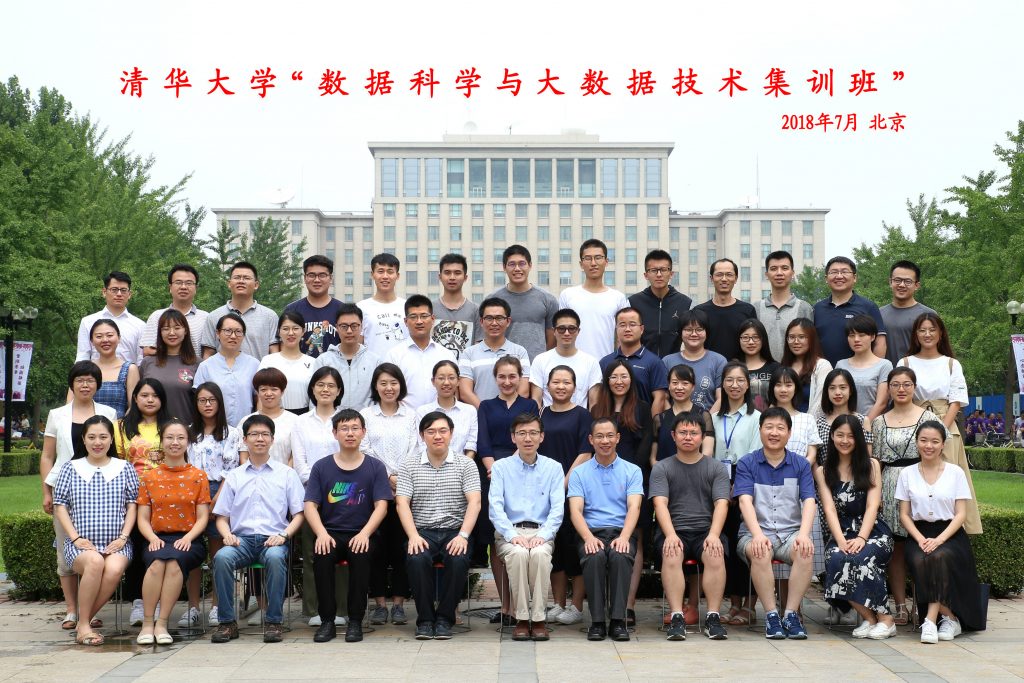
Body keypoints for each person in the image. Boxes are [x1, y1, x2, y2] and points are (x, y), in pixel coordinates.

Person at [210, 414, 305, 644]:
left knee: (275, 558)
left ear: (272, 439)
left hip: (273, 539)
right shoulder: (234, 476)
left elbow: (299, 515)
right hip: (241, 541)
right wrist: (227, 535)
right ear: (245, 440)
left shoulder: (286, 474)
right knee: (222, 558)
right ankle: (227, 623)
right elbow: (221, 517)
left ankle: (273, 622)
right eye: (254, 434)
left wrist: (284, 535)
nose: (259, 439)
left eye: (265, 434)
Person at [41, 362, 118, 631]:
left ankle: (90, 609)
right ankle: (72, 610)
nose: (85, 385)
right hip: (65, 488)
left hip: (100, 489)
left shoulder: (108, 412)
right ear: (72, 384)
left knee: (94, 550)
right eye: (80, 380)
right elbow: (47, 455)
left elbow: (114, 450)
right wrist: (46, 491)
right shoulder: (57, 414)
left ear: (98, 385)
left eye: (90, 380)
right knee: (66, 550)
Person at [304, 409, 392, 643]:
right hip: (330, 532)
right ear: (335, 433)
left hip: (363, 532)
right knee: (322, 556)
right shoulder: (321, 467)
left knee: (361, 555)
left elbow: (382, 506)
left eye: (355, 428)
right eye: (344, 428)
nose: (350, 433)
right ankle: (327, 621)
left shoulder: (375, 467)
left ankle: (355, 621)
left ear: (363, 432)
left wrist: (365, 534)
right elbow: (310, 505)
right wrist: (321, 533)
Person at [52, 415, 140, 646]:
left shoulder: (125, 468)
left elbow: (132, 506)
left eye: (103, 436)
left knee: (114, 568)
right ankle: (84, 625)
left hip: (117, 543)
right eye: (91, 437)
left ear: (112, 439)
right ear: (83, 439)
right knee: (94, 562)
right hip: (79, 544)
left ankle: (83, 621)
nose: (97, 442)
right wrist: (76, 538)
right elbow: (60, 506)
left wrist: (123, 538)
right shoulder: (71, 468)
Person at [896, 421, 985, 643]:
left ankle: (929, 620)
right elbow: (904, 515)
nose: (929, 446)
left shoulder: (955, 473)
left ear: (943, 444)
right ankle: (950, 617)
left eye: (935, 441)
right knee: (921, 559)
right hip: (919, 533)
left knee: (938, 556)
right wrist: (920, 539)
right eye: (924, 440)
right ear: (917, 442)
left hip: (950, 534)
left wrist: (939, 540)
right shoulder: (907, 474)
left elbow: (961, 514)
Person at [397, 411, 482, 640]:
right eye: (431, 431)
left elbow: (474, 502)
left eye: (443, 431)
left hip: (455, 532)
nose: (437, 436)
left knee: (458, 559)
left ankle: (445, 618)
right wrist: (413, 536)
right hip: (422, 532)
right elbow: (402, 503)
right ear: (422, 435)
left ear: (451, 434)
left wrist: (463, 536)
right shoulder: (409, 465)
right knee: (417, 559)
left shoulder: (466, 465)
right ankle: (425, 620)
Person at [735, 408, 817, 640]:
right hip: (754, 533)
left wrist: (804, 534)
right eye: (768, 427)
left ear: (789, 433)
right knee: (760, 551)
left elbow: (809, 501)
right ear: (760, 430)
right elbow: (744, 501)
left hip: (790, 533)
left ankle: (790, 614)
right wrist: (757, 535)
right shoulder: (747, 463)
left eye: (780, 428)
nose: (774, 433)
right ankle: (771, 615)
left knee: (805, 551)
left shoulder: (800, 465)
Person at [900, 312, 982, 535]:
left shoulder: (951, 364)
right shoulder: (905, 362)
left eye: (932, 330)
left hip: (946, 425)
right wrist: (921, 433)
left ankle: (954, 534)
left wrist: (940, 433)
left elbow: (956, 401)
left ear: (941, 333)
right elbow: (901, 395)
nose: (927, 334)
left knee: (949, 482)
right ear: (915, 334)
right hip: (912, 425)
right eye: (922, 330)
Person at [871, 367, 942, 625]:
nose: (901, 389)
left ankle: (921, 604)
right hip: (890, 486)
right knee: (897, 549)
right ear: (888, 388)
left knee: (921, 545)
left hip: (920, 483)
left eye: (907, 384)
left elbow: (938, 453)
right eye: (895, 384)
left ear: (914, 387)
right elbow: (876, 461)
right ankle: (900, 605)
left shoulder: (928, 418)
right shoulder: (879, 422)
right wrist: (876, 494)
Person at [651, 412, 731, 640]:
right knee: (672, 552)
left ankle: (713, 617)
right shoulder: (662, 467)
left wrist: (714, 535)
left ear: (703, 436)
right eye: (683, 432)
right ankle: (677, 616)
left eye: (694, 433)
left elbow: (722, 503)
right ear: (673, 436)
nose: (688, 437)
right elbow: (660, 504)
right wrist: (670, 534)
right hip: (674, 530)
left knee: (715, 553)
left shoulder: (716, 468)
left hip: (706, 530)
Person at [814, 415, 895, 639]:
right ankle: (870, 619)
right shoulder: (823, 471)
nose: (845, 440)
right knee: (836, 558)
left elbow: (872, 506)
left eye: (850, 436)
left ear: (858, 438)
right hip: (842, 532)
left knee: (862, 557)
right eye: (840, 435)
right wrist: (840, 540)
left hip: (873, 531)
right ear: (832, 437)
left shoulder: (871, 465)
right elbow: (829, 509)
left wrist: (861, 538)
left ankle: (887, 620)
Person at [588, 359, 654, 625]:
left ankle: (627, 605)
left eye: (624, 376)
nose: (619, 381)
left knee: (633, 540)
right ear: (607, 380)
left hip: (633, 479)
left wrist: (626, 475)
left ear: (631, 380)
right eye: (614, 377)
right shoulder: (597, 409)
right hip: (600, 479)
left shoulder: (643, 408)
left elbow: (646, 443)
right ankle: (605, 605)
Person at [489, 413, 565, 641]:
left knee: (540, 554)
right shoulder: (501, 467)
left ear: (542, 437)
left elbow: (557, 509)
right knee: (519, 554)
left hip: (541, 531)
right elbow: (495, 507)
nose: (528, 438)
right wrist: (512, 535)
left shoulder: (554, 468)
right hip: (510, 532)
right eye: (522, 433)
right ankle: (522, 619)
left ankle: (539, 619)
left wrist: (544, 534)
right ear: (513, 437)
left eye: (533, 433)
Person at [476, 355, 539, 624]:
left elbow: (529, 437)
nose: (507, 381)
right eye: (502, 376)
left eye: (512, 376)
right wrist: (494, 468)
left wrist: (510, 466)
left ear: (520, 377)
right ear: (495, 378)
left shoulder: (530, 405)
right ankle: (506, 606)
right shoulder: (486, 406)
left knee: (520, 536)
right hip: (490, 471)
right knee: (497, 538)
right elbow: (483, 441)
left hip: (523, 470)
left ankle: (522, 605)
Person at [568, 418, 644, 642]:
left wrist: (625, 537)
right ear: (591, 440)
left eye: (610, 435)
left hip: (621, 531)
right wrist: (588, 538)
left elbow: (634, 507)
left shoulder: (632, 471)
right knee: (594, 557)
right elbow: (575, 511)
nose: (605, 441)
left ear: (618, 438)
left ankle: (619, 621)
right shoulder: (579, 473)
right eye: (599, 436)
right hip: (591, 532)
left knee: (620, 555)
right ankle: (598, 622)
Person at [135, 419, 211, 645]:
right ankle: (147, 623)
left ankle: (162, 623)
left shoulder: (198, 476)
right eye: (169, 437)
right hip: (157, 538)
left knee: (175, 562)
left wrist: (188, 538)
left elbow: (203, 517)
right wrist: (152, 538)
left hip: (190, 539)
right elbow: (142, 517)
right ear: (162, 441)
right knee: (157, 563)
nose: (175, 442)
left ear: (188, 442)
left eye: (180, 438)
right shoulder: (149, 476)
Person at [291, 367, 350, 628]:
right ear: (312, 389)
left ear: (339, 390)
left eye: (331, 385)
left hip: (346, 495)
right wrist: (320, 488)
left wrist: (339, 489)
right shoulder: (301, 422)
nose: (325, 389)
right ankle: (314, 609)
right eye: (320, 385)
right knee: (313, 553)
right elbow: (300, 464)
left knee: (343, 554)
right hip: (312, 497)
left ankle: (343, 608)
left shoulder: (347, 419)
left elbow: (352, 456)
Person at [359, 363, 418, 626]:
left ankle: (399, 604)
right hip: (375, 490)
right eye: (383, 383)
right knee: (377, 548)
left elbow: (416, 448)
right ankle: (380, 604)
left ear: (401, 385)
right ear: (375, 386)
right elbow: (365, 449)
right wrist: (387, 477)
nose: (389, 388)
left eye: (393, 382)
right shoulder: (366, 415)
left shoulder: (411, 415)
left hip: (406, 491)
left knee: (403, 548)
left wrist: (399, 478)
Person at [538, 366, 592, 626]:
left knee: (574, 547)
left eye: (566, 382)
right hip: (545, 492)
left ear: (575, 387)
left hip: (574, 490)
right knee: (555, 548)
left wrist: (563, 484)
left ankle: (576, 606)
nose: (561, 387)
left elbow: (585, 453)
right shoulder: (542, 414)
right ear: (547, 386)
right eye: (556, 382)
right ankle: (558, 603)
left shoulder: (583, 415)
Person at [186, 382, 242, 627]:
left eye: (212, 400)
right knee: (191, 551)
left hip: (220, 491)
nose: (207, 405)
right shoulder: (188, 432)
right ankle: (193, 607)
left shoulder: (231, 433)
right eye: (202, 400)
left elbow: (232, 470)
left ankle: (218, 606)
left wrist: (215, 501)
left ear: (219, 402)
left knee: (219, 553)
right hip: (190, 492)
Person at [115, 378, 171, 623]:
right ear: (135, 398)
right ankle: (138, 601)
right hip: (132, 498)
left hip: (165, 498)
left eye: (155, 396)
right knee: (137, 549)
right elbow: (118, 463)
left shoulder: (171, 425)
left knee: (158, 548)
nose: (150, 400)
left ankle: (158, 601)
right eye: (144, 395)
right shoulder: (120, 427)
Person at [711, 362, 762, 627]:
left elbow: (754, 455)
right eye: (729, 380)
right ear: (722, 384)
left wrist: (738, 486)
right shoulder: (713, 418)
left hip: (746, 485)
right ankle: (733, 604)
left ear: (748, 385)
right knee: (727, 545)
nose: (734, 385)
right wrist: (720, 487)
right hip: (718, 485)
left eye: (740, 380)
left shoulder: (756, 418)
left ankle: (750, 605)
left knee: (747, 543)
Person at [558, 239, 630, 359]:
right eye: (588, 258)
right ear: (581, 264)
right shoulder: (568, 295)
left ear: (606, 262)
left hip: (606, 364)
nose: (593, 263)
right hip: (572, 365)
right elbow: (560, 333)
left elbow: (623, 336)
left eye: (598, 258)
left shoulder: (618, 298)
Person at [488, 244, 559, 361]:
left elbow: (552, 337)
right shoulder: (492, 300)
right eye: (512, 264)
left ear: (530, 265)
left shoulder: (548, 299)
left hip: (536, 367)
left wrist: (541, 362)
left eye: (522, 263)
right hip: (503, 366)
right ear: (504, 267)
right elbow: (488, 335)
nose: (517, 268)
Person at [385, 295, 457, 409]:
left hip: (441, 417)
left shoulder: (447, 355)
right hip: (406, 417)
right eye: (413, 317)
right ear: (405, 321)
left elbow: (455, 391)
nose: (419, 321)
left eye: (424, 316)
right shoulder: (394, 355)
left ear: (432, 319)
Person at [458, 297, 531, 407]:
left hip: (513, 415)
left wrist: (508, 411)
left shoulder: (520, 352)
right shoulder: (469, 353)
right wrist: (486, 411)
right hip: (480, 414)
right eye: (489, 318)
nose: (494, 323)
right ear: (481, 321)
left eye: (499, 318)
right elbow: (465, 392)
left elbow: (524, 390)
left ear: (508, 321)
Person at [813, 257, 887, 366]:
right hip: (824, 372)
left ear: (854, 277)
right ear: (826, 278)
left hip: (859, 372)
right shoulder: (817, 308)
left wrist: (874, 370)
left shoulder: (868, 306)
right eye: (834, 272)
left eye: (844, 272)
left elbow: (880, 342)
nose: (839, 276)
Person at [193, 313, 261, 426]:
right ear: (218, 333)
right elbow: (199, 400)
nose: (233, 336)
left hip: (245, 428)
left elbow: (259, 398)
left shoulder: (254, 364)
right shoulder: (206, 366)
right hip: (215, 429)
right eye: (228, 331)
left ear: (243, 335)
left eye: (238, 331)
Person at [202, 261, 279, 360]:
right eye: (237, 277)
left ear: (256, 285)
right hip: (223, 370)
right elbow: (208, 354)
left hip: (259, 370)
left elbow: (274, 353)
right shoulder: (214, 316)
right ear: (229, 283)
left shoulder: (269, 316)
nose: (241, 281)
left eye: (246, 278)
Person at [600, 306, 669, 415]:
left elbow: (660, 398)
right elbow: (601, 396)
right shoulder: (605, 362)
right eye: (622, 325)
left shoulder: (654, 362)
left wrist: (651, 423)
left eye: (632, 324)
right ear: (616, 329)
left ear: (641, 329)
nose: (627, 329)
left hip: (642, 422)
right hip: (610, 423)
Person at [313, 303, 382, 410]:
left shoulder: (375, 361)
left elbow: (380, 397)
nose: (349, 331)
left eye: (354, 326)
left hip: (365, 419)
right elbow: (314, 397)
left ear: (361, 327)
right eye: (344, 326)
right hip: (332, 419)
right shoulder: (323, 360)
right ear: (337, 327)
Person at [529, 308, 602, 409]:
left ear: (578, 331)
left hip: (580, 417)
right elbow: (536, 400)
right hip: (547, 417)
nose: (567, 333)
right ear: (554, 331)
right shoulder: (540, 360)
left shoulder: (591, 362)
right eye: (561, 328)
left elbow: (594, 403)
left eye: (572, 328)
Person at [628, 249, 693, 358]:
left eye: (663, 270)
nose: (659, 274)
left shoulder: (684, 302)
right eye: (653, 270)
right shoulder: (634, 302)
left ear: (671, 274)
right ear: (646, 275)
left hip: (673, 364)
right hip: (642, 362)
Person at [753, 250, 815, 361]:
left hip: (795, 370)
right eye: (773, 269)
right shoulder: (756, 308)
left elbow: (811, 344)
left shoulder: (804, 308)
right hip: (764, 370)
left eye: (784, 268)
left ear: (792, 273)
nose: (779, 273)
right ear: (766, 274)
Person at [139, 309, 199, 421]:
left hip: (186, 427)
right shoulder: (147, 362)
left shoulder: (198, 364)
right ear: (160, 332)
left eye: (177, 328)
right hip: (152, 428)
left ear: (185, 330)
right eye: (166, 328)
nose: (171, 333)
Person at [661, 309, 726, 412]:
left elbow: (721, 398)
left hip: (708, 420)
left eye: (699, 329)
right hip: (674, 421)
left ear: (706, 332)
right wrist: (673, 419)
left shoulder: (719, 361)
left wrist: (706, 420)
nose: (694, 334)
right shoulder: (667, 361)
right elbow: (663, 397)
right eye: (688, 329)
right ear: (680, 333)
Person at [75, 271, 145, 365]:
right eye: (114, 289)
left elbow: (141, 360)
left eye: (123, 290)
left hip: (129, 373)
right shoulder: (88, 322)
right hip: (96, 373)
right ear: (104, 292)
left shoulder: (140, 326)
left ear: (129, 294)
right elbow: (83, 356)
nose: (119, 294)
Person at [694, 258, 757, 362]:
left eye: (729, 274)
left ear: (736, 279)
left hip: (740, 368)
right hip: (708, 368)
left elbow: (754, 342)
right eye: (719, 274)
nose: (724, 279)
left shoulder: (748, 310)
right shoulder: (699, 311)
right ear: (711, 278)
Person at [282, 254, 344, 358]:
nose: (317, 280)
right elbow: (283, 345)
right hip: (300, 367)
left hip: (334, 367)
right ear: (305, 278)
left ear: (330, 278)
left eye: (322, 275)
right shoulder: (291, 310)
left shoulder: (342, 310)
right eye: (311, 275)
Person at [140, 264, 208, 358]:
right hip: (164, 366)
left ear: (196, 288)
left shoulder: (206, 318)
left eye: (189, 283)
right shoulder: (157, 316)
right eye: (178, 282)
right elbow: (147, 351)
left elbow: (210, 352)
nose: (183, 287)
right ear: (170, 287)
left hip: (197, 367)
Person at [413, 360, 478, 459]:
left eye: (451, 378)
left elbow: (471, 446)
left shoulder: (470, 411)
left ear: (458, 381)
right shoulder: (423, 411)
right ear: (433, 382)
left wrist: (463, 466)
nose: (446, 382)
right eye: (441, 378)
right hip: (431, 466)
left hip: (462, 466)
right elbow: (422, 445)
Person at [653, 364, 716, 464]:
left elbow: (707, 453)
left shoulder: (703, 415)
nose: (679, 387)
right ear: (669, 385)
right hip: (665, 472)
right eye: (675, 383)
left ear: (693, 387)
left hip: (696, 472)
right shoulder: (659, 419)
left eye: (685, 383)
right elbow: (653, 457)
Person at [238, 368, 298, 468]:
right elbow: (243, 457)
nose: (269, 393)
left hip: (285, 476)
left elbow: (295, 456)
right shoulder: (246, 421)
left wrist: (285, 474)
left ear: (282, 392)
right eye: (263, 389)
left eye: (274, 389)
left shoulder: (295, 421)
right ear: (257, 392)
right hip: (252, 476)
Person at [836, 315, 892, 422]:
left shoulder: (884, 365)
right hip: (844, 425)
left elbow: (882, 403)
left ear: (872, 337)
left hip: (873, 424)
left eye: (861, 335)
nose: (856, 339)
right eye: (852, 335)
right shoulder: (841, 365)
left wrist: (864, 425)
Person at [258, 311, 315, 414]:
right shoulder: (268, 361)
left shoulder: (313, 363)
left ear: (303, 331)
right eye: (285, 329)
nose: (291, 333)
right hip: (274, 416)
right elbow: (260, 396)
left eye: (295, 328)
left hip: (304, 417)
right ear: (279, 332)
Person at [880, 260, 935, 366]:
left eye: (908, 281)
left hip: (918, 374)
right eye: (897, 280)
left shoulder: (928, 315)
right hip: (886, 374)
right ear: (890, 282)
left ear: (917, 285)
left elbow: (936, 350)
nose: (901, 285)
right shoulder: (878, 314)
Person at [357, 252, 408, 358]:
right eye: (380, 271)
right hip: (372, 367)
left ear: (397, 276)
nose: (385, 276)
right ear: (372, 275)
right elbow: (357, 345)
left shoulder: (407, 307)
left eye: (390, 272)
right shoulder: (361, 307)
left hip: (402, 366)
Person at [87, 319, 139, 419]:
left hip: (119, 426)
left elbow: (133, 407)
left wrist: (119, 426)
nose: (105, 340)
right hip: (86, 427)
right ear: (92, 341)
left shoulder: (130, 369)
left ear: (119, 338)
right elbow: (71, 405)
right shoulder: (84, 369)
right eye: (99, 336)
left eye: (110, 335)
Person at [816, 368, 874, 459]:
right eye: (832, 388)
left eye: (842, 387)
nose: (837, 392)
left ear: (850, 391)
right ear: (827, 392)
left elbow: (867, 456)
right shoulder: (819, 423)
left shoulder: (863, 420)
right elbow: (816, 458)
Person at [780, 318, 832, 415]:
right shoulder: (783, 366)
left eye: (801, 337)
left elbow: (820, 402)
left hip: (811, 422)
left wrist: (806, 421)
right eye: (791, 337)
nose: (796, 341)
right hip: (784, 421)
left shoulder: (822, 366)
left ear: (812, 339)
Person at [431, 252, 479, 351]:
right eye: (447, 272)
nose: (452, 277)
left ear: (465, 277)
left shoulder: (476, 310)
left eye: (457, 273)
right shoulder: (430, 309)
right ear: (440, 277)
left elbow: (478, 345)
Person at [738, 319, 780, 411]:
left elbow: (781, 398)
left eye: (756, 337)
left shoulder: (775, 368)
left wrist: (767, 417)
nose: (751, 342)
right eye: (745, 337)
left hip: (770, 418)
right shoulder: (734, 368)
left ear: (763, 339)